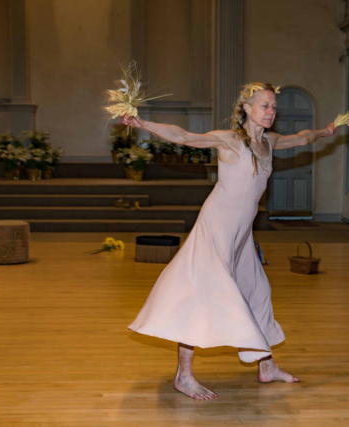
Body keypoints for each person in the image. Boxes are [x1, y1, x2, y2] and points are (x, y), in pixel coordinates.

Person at [124, 82, 336, 400]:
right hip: (216, 228)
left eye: (274, 106)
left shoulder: (270, 142)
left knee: (258, 292)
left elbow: (303, 137)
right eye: (264, 105)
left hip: (241, 234)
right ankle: (183, 375)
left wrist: (325, 131)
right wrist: (143, 123)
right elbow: (184, 136)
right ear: (247, 108)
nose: (271, 111)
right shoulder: (230, 141)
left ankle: (266, 366)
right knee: (201, 296)